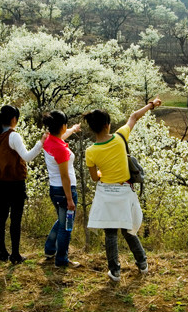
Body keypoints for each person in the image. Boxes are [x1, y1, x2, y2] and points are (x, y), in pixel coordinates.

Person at [83, 97, 162, 281]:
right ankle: (142, 264)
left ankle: (115, 271)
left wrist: (102, 172)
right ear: (107, 125)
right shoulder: (120, 137)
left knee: (110, 233)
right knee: (128, 230)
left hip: (106, 194)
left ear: (93, 128)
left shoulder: (91, 152)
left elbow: (95, 177)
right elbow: (134, 116)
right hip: (124, 192)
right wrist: (151, 104)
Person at [0, 105, 47, 264]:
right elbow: (27, 157)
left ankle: (2, 251)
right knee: (16, 218)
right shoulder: (13, 136)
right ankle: (15, 255)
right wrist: (41, 143)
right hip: (15, 182)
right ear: (13, 119)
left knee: (2, 215)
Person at [42, 110, 81, 267]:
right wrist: (70, 199)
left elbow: (61, 137)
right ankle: (62, 260)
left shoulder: (48, 141)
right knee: (66, 226)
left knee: (61, 220)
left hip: (54, 190)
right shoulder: (61, 149)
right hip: (66, 191)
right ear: (62, 126)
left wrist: (72, 129)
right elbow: (65, 176)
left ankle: (50, 249)